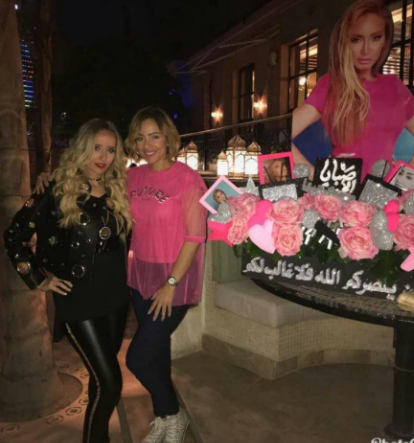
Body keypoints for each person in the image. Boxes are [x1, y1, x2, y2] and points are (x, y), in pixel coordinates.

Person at [5, 119, 132, 443]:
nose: (103, 157)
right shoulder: (55, 189)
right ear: (82, 148)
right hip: (78, 298)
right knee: (111, 383)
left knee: (100, 380)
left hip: (116, 296)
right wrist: (39, 279)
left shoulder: (118, 188)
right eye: (96, 148)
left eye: (110, 150)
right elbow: (15, 236)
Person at [125, 107, 207, 443]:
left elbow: (195, 236)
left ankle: (173, 412)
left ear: (167, 138)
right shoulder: (133, 177)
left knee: (137, 358)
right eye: (140, 138)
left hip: (174, 277)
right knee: (156, 351)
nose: (147, 145)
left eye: (154, 136)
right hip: (140, 275)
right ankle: (164, 416)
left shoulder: (187, 179)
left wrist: (171, 283)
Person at [292, 0, 414, 179]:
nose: (366, 50)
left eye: (375, 38)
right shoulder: (331, 84)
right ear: (345, 42)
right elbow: (282, 137)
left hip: (386, 190)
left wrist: (404, 181)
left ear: (385, 40)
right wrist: (317, 178)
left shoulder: (394, 87)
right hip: (342, 189)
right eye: (356, 39)